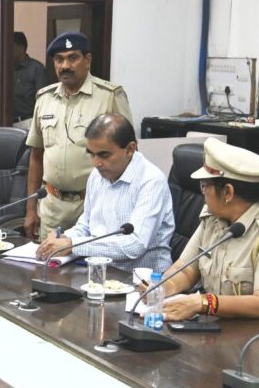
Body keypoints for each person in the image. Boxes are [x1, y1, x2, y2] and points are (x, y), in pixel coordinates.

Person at [159, 139, 259, 322]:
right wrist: (161, 289)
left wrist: (204, 303)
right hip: (223, 323)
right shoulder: (213, 218)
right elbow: (185, 270)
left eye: (204, 185)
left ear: (228, 192)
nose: (202, 192)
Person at [24, 31, 132, 240]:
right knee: (47, 260)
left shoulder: (109, 96)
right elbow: (36, 156)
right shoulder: (44, 99)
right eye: (59, 59)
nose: (65, 65)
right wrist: (30, 210)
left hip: (94, 206)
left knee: (91, 260)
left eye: (73, 58)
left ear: (87, 60)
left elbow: (129, 158)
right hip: (51, 208)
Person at [36, 114, 173, 272]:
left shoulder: (151, 181)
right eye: (91, 154)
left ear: (130, 149)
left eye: (104, 155)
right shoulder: (97, 176)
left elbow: (135, 244)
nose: (96, 163)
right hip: (101, 272)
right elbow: (86, 225)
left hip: (144, 279)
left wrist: (72, 245)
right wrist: (63, 238)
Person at [12, 31, 47, 121]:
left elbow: (43, 100)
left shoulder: (36, 69)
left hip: (28, 122)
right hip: (6, 122)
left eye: (11, 47)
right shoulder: (5, 69)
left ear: (21, 48)